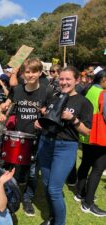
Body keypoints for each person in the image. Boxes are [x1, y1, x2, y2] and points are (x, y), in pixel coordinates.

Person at [36, 66, 93, 225]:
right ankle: (52, 217)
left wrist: (73, 119)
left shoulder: (83, 102)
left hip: (65, 147)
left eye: (68, 79)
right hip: (46, 143)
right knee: (47, 185)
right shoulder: (54, 96)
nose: (64, 82)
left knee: (54, 190)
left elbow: (87, 131)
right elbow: (48, 117)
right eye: (61, 79)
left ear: (77, 80)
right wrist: (40, 121)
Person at [2, 58, 53, 217]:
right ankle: (10, 197)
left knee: (32, 172)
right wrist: (2, 111)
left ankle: (27, 198)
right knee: (13, 170)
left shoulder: (47, 90)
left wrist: (45, 117)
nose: (30, 75)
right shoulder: (17, 90)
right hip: (18, 137)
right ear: (23, 73)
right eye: (27, 72)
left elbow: (53, 115)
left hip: (37, 139)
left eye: (34, 72)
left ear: (40, 73)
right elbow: (9, 106)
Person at [76, 69, 106, 216]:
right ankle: (88, 204)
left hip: (85, 134)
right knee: (98, 169)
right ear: (104, 80)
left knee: (86, 163)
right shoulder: (103, 93)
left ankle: (79, 193)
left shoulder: (88, 88)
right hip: (99, 136)